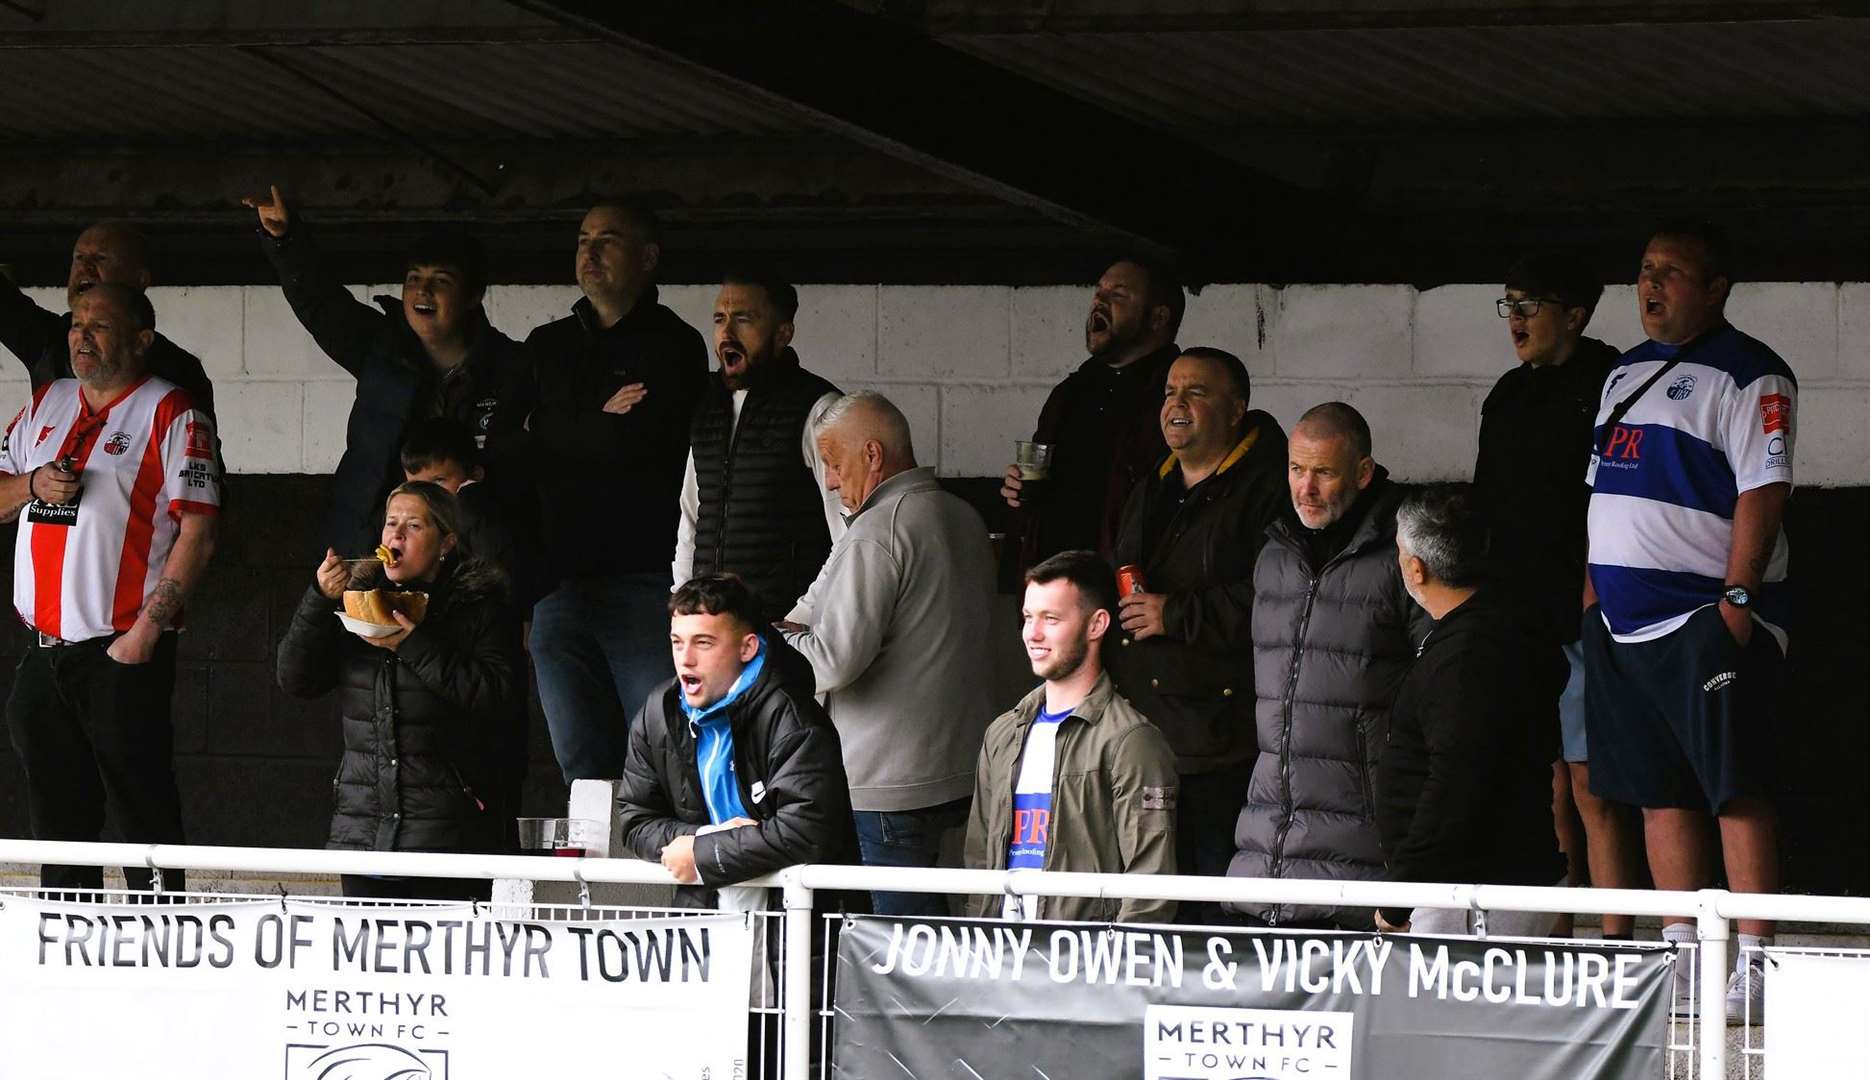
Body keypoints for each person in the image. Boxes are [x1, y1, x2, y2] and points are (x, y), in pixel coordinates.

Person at [1583, 221, 1794, 1019]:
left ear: (1716, 290)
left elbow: (1763, 490)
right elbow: (1601, 492)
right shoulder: (1622, 374)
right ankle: (1683, 958)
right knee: (1655, 791)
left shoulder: (1752, 374)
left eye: (1672, 273)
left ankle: (1759, 961)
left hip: (1702, 617)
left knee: (1732, 787)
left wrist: (1736, 603)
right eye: (1643, 270)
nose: (1652, 285)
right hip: (1621, 622)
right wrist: (1592, 593)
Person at [0, 284, 221, 894]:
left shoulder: (171, 410)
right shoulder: (48, 401)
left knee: (141, 810)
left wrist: (143, 636)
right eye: (75, 324)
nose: (81, 336)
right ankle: (69, 944)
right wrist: (33, 486)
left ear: (141, 339)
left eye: (99, 326)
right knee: (56, 817)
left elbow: (198, 532)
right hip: (43, 651)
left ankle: (162, 938)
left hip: (121, 650)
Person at [1474, 252, 1639, 939]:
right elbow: (1485, 506)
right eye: (1507, 303)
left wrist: (1594, 591)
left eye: (1529, 305)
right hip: (1517, 615)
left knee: (1590, 781)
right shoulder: (1507, 395)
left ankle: (1614, 935)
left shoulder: (1614, 383)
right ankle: (1555, 931)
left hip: (1587, 611)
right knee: (1545, 783)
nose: (1514, 320)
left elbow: (1622, 497)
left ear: (1575, 314)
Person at [780, 391, 995, 916]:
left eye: (833, 464)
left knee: (898, 952)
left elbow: (831, 660)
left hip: (885, 783)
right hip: (964, 767)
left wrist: (768, 642)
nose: (830, 481)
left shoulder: (877, 531)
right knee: (942, 938)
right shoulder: (964, 517)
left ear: (872, 455)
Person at [518, 199, 709, 783]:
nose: (589, 252)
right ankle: (598, 879)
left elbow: (644, 446)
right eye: (582, 238)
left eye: (607, 239)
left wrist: (559, 428)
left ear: (648, 258)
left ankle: (657, 874)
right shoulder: (545, 345)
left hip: (643, 580)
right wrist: (599, 421)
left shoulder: (675, 344)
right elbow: (518, 445)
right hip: (557, 584)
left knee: (661, 747)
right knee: (579, 757)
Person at [1227, 402, 1432, 929]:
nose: (1306, 488)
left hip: (1364, 848)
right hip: (1264, 847)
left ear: (1363, 472)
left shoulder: (1404, 555)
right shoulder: (1274, 552)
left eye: (1324, 471)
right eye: (1297, 469)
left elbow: (1437, 692)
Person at [244, 185, 529, 555]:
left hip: (470, 559)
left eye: (440, 282)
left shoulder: (513, 367)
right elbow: (322, 305)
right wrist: (285, 240)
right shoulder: (381, 348)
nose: (422, 292)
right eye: (414, 279)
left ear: (473, 296)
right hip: (376, 551)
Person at [276, 481, 525, 901]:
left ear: (445, 542)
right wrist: (319, 599)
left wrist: (414, 645)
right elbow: (295, 678)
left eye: (413, 526)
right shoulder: (358, 599)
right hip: (362, 832)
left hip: (448, 838)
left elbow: (497, 695)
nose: (396, 536)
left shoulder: (479, 606)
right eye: (391, 524)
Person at [1104, 347, 1286, 889]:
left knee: (1212, 897)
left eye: (1195, 393)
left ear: (1236, 411)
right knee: (1148, 898)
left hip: (1222, 739)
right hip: (1144, 730)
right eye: (1169, 392)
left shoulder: (1270, 488)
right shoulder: (1152, 485)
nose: (1175, 404)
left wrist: (1175, 613)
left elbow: (1276, 599)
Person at [1375, 484, 1567, 937]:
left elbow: (1455, 784)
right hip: (1485, 885)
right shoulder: (1503, 628)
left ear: (1415, 568)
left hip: (1471, 899)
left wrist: (1399, 899)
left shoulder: (1469, 654)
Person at [963, 551, 1179, 923]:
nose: (1033, 633)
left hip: (1085, 966)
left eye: (1051, 618)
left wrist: (1114, 971)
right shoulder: (1002, 734)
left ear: (1096, 625)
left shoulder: (1132, 740)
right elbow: (978, 859)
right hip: (1001, 960)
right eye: (1028, 617)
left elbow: (1150, 882)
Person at [616, 574, 859, 899]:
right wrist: (706, 838)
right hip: (702, 926)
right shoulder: (658, 713)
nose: (685, 658)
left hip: (797, 931)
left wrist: (706, 852)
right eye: (677, 642)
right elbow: (635, 820)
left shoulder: (791, 717)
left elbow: (807, 831)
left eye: (704, 643)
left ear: (747, 648)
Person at [672, 265, 843, 620]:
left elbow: (845, 535)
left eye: (744, 319)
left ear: (783, 334)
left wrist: (801, 618)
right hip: (712, 630)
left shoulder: (817, 408)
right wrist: (684, 606)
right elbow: (692, 519)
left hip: (785, 628)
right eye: (720, 318)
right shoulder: (706, 407)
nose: (727, 332)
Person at [1001, 257, 1184, 568]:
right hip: (1061, 587)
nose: (1099, 300)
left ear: (1158, 318)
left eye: (1118, 294)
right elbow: (1042, 492)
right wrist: (1018, 491)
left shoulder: (1177, 398)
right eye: (1098, 291)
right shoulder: (1069, 393)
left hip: (1134, 595)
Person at [0, 221, 217, 417]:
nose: (85, 268)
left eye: (100, 258)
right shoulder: (50, 342)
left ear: (139, 279)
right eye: (79, 258)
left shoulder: (179, 371)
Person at [399, 417, 547, 614]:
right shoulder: (412, 523)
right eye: (417, 486)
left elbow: (507, 581)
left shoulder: (485, 512)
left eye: (439, 482)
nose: (428, 496)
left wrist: (470, 502)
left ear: (475, 475)